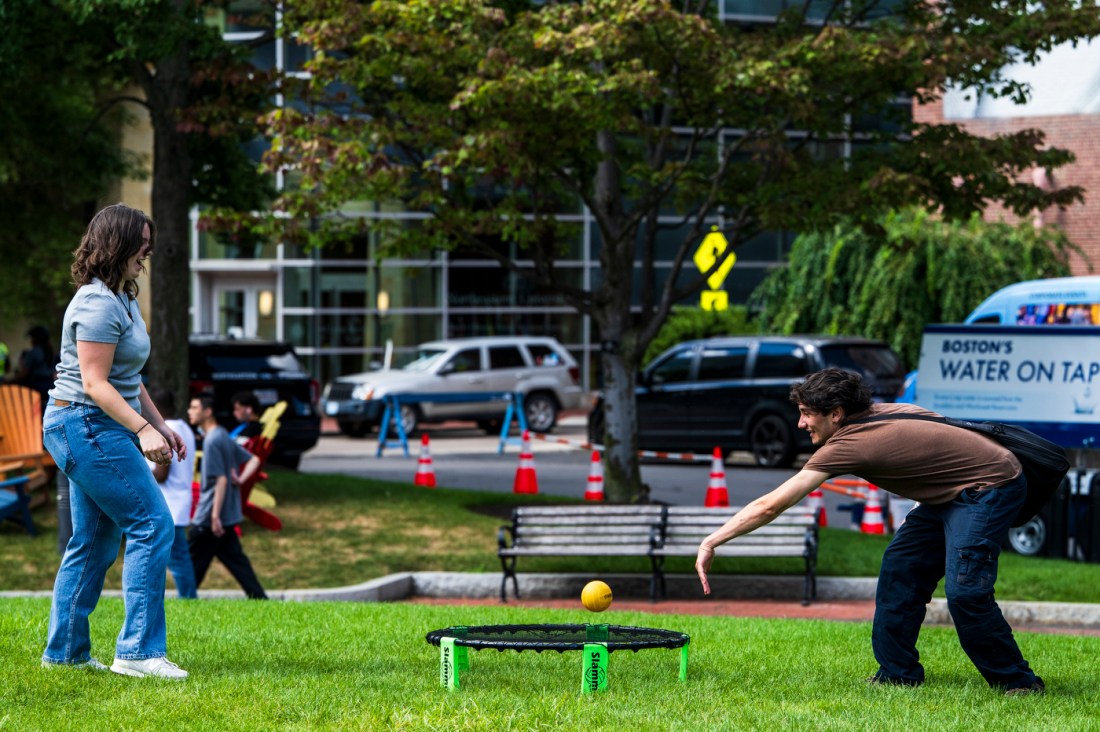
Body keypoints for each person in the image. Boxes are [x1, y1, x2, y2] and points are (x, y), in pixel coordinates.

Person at [694, 368, 1045, 696]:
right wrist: (924, 499)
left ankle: (1018, 681)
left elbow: (771, 505)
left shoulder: (849, 443)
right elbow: (934, 451)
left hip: (991, 486)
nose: (800, 423)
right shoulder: (883, 411)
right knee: (900, 568)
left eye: (806, 413)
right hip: (948, 494)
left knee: (965, 591)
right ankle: (897, 673)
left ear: (836, 413)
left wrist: (712, 540)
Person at [40, 203, 189, 679]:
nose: (147, 251)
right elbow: (95, 383)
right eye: (140, 244)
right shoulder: (96, 303)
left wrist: (159, 423)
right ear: (117, 245)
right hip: (83, 424)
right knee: (151, 523)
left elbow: (128, 377)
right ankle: (139, 652)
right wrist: (141, 431)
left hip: (92, 424)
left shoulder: (121, 296)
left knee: (95, 541)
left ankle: (65, 653)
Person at [188, 394, 268, 599]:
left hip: (209, 517)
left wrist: (214, 517)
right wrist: (241, 480)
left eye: (195, 407)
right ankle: (259, 598)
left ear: (208, 412)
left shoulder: (213, 441)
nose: (190, 411)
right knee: (236, 561)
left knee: (189, 564)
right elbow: (254, 460)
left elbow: (221, 480)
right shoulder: (223, 435)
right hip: (227, 515)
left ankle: (182, 600)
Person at [147, 388, 198, 599]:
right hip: (180, 499)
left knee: (177, 559)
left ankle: (189, 598)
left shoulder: (165, 430)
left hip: (170, 504)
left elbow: (161, 474)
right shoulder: (183, 427)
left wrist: (140, 470)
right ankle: (188, 597)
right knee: (178, 556)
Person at [3, 324, 57, 411]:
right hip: (50, 384)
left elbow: (24, 373)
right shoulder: (52, 352)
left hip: (36, 386)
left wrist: (8, 382)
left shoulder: (33, 353)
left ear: (35, 338)